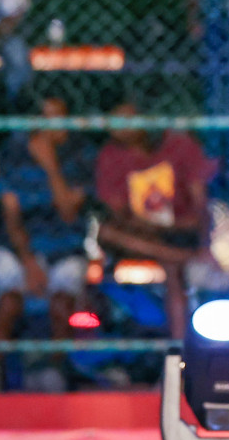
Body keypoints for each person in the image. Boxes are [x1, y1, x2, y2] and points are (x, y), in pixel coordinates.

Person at [0, 94, 98, 392]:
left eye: (59, 119)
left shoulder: (80, 154)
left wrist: (50, 165)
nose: (53, 127)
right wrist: (29, 260)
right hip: (21, 247)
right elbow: (11, 217)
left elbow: (68, 210)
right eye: (46, 119)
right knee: (9, 300)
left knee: (62, 302)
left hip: (65, 245)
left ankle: (54, 368)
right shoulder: (13, 154)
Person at [94, 98, 221, 339]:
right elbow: (118, 213)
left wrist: (198, 231)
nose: (123, 126)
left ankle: (179, 350)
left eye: (129, 119)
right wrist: (145, 225)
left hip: (178, 230)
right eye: (117, 122)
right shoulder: (110, 156)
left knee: (173, 271)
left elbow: (199, 201)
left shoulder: (179, 146)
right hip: (140, 234)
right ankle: (188, 258)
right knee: (106, 233)